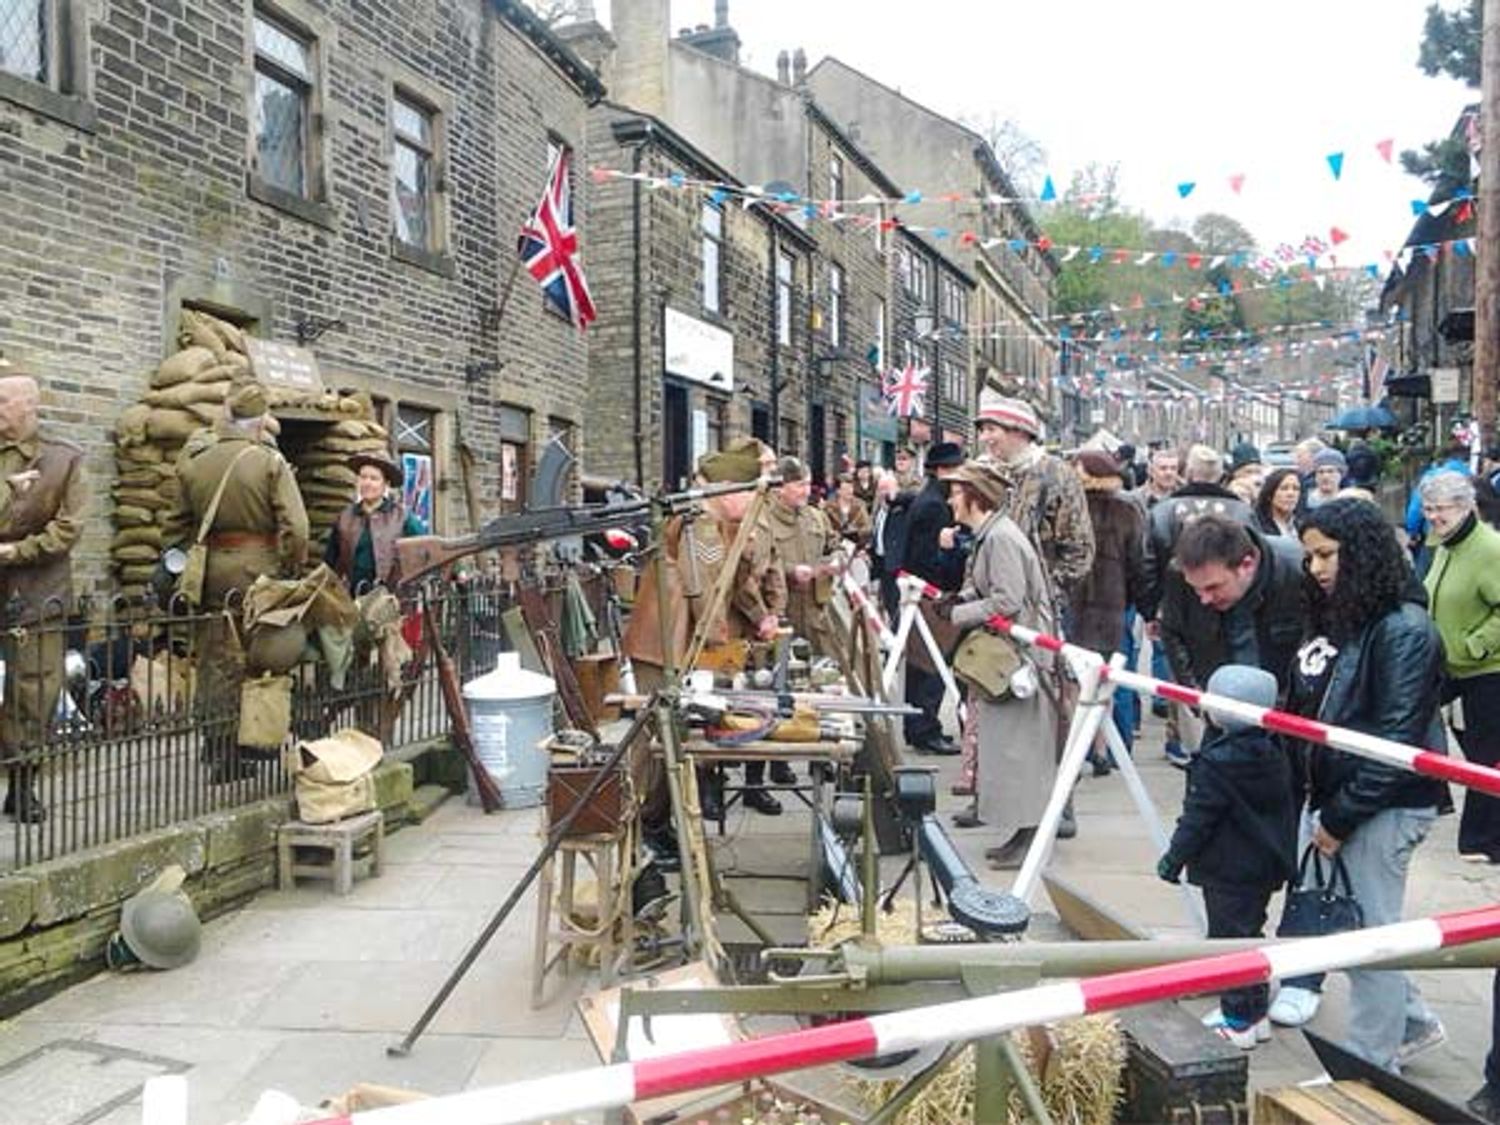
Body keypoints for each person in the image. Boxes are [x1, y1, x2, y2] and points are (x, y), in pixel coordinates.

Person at [1268, 498, 1447, 1072]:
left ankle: (1372, 1066)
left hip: (1380, 805)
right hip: (1341, 796)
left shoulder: (1404, 629)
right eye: (1311, 557)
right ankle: (1412, 1022)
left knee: (1372, 938)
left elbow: (1397, 742)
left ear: (1362, 553)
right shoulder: (1349, 615)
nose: (1316, 568)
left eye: (1327, 555)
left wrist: (1338, 819)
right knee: (1364, 924)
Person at [621, 436, 787, 817]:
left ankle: (660, 821)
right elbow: (706, 593)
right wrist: (718, 651)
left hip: (675, 644)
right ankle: (645, 823)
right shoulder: (703, 524)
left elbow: (738, 580)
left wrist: (761, 615)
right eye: (748, 494)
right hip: (665, 644)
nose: (753, 503)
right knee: (656, 743)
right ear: (728, 490)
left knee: (669, 739)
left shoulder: (718, 521)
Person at [167, 382, 309, 784]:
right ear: (261, 420)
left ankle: (216, 745)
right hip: (258, 570)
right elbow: (297, 527)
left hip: (210, 572)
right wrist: (291, 564)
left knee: (215, 659)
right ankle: (250, 742)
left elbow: (175, 524)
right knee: (259, 659)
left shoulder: (196, 459)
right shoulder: (268, 461)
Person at [1157, 664, 1297, 1049]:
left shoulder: (1217, 763)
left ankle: (1238, 1019)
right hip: (1264, 863)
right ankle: (1255, 1011)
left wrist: (1174, 858)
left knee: (1227, 942)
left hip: (1226, 867)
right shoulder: (1274, 749)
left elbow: (1198, 817)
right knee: (1250, 934)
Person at [942, 460, 1056, 869]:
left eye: (956, 492)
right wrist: (963, 596)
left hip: (1021, 660)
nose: (950, 500)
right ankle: (1019, 833)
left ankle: (1029, 835)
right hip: (1009, 657)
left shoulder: (1001, 538)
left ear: (975, 497)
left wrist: (959, 613)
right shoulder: (993, 535)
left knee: (1021, 750)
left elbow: (1007, 600)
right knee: (1010, 748)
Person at [0, 375, 87, 822]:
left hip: (35, 590)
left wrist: (18, 550)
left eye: (2, 400)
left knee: (32, 690)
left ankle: (22, 785)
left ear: (28, 406)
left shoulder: (62, 459)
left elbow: (69, 527)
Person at [1420, 470, 1500, 862]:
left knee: (1487, 754)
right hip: (1452, 668)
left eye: (1441, 510)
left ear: (1466, 508)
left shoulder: (1489, 549)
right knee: (1477, 752)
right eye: (1429, 509)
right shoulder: (1445, 545)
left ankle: (1481, 841)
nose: (1433, 517)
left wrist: (1475, 646)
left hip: (1487, 672)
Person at [1163, 515, 1305, 701]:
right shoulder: (1179, 573)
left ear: (1247, 565)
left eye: (1213, 587)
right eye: (1194, 589)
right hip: (1216, 702)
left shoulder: (1299, 572)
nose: (1204, 599)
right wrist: (1197, 696)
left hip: (1283, 710)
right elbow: (1173, 631)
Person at [1070, 449, 1143, 765]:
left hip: (1075, 604)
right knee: (1110, 678)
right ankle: (1108, 749)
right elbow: (1138, 562)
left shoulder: (1070, 509)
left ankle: (1080, 747)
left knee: (1075, 678)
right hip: (1114, 605)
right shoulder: (1127, 510)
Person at [897, 442, 966, 755]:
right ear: (942, 470)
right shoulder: (936, 505)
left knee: (922, 664)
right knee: (931, 665)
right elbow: (927, 556)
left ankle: (919, 726)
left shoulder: (930, 499)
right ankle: (925, 727)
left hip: (924, 592)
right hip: (932, 594)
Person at [764, 456, 840, 662]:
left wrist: (835, 561)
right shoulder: (764, 520)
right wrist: (791, 571)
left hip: (816, 615)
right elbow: (761, 563)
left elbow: (834, 545)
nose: (806, 491)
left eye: (808, 484)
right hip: (783, 615)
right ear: (780, 488)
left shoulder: (816, 517)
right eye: (799, 485)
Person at [324, 451, 425, 593]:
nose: (367, 483)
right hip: (350, 597)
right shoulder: (344, 517)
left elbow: (428, 546)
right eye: (363, 477)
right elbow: (330, 560)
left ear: (386, 484)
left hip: (390, 598)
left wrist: (458, 570)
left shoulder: (402, 517)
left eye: (374, 478)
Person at [824, 473, 872, 549]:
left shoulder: (860, 505)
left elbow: (867, 527)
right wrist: (837, 536)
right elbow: (826, 529)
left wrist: (856, 533)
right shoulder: (828, 507)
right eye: (846, 489)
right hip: (835, 548)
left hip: (857, 548)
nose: (849, 491)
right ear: (838, 491)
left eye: (851, 487)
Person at [1254, 468, 1301, 538]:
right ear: (1269, 495)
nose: (1291, 494)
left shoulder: (1301, 525)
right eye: (1284, 488)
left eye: (1296, 488)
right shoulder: (1257, 524)